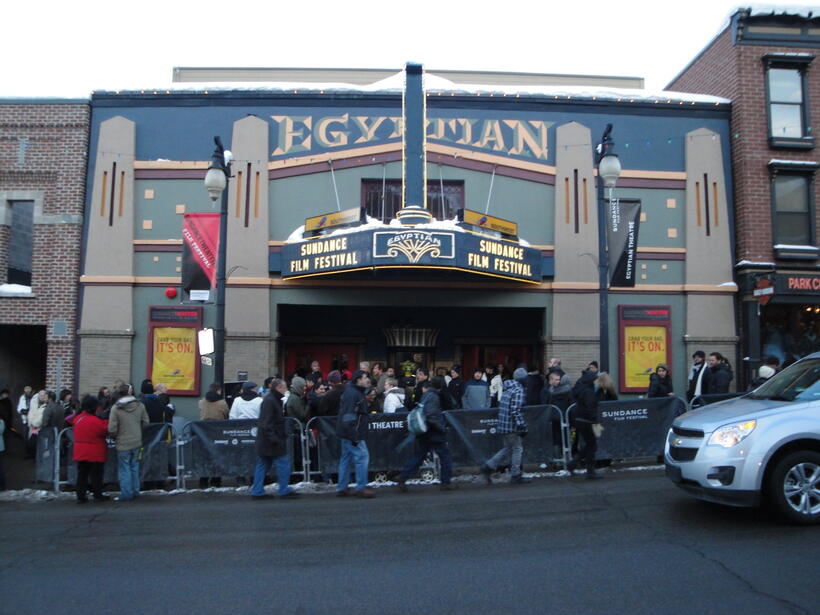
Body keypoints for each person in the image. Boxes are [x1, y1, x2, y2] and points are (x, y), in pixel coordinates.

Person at [396, 378, 456, 492]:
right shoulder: (434, 397)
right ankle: (446, 482)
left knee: (419, 455)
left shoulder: (426, 395)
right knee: (445, 455)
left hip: (423, 431)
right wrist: (441, 428)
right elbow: (431, 415)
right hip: (433, 431)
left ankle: (403, 476)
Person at [480, 367, 530, 485]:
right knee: (517, 448)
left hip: (504, 424)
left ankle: (488, 466)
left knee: (507, 448)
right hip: (512, 426)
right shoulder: (518, 391)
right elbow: (515, 410)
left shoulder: (508, 389)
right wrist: (522, 426)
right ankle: (515, 474)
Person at [251, 379, 299, 500]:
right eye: (284, 387)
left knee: (263, 464)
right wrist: (275, 438)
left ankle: (257, 491)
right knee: (283, 463)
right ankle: (283, 489)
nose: (286, 390)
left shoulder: (271, 399)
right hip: (272, 440)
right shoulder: (271, 401)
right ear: (279, 388)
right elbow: (266, 423)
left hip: (266, 440)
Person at [335, 370, 374, 498]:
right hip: (352, 432)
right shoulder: (353, 394)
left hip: (346, 432)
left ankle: (342, 487)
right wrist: (354, 436)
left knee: (346, 458)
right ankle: (361, 487)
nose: (367, 379)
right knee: (362, 457)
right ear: (358, 380)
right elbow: (349, 416)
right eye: (365, 377)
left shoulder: (353, 392)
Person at [108, 383, 149, 501]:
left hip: (122, 442)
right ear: (131, 392)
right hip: (137, 441)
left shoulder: (116, 408)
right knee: (134, 466)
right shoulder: (140, 405)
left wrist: (116, 436)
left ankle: (126, 493)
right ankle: (136, 490)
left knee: (124, 468)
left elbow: (112, 429)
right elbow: (146, 422)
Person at [68, 395, 110, 503]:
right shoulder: (95, 421)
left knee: (82, 474)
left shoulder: (78, 419)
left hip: (80, 451)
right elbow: (104, 431)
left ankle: (81, 495)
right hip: (95, 452)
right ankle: (97, 494)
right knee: (96, 475)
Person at [570, 370, 603, 479]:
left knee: (589, 445)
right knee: (591, 445)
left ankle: (575, 463)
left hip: (579, 419)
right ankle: (589, 471)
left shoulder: (580, 390)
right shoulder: (588, 392)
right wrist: (595, 420)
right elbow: (591, 407)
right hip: (587, 421)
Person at [198, 383, 229, 488]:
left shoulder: (202, 402)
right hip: (218, 431)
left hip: (204, 431)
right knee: (217, 456)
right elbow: (226, 415)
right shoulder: (222, 403)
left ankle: (203, 480)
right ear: (218, 391)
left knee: (205, 457)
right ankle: (216, 480)